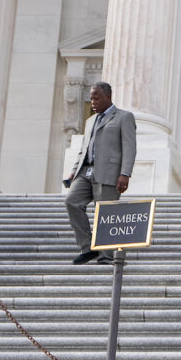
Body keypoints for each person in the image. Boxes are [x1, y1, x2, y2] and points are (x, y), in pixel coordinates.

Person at [64, 82, 136, 264]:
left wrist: (125, 174)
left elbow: (129, 148)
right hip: (86, 171)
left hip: (110, 172)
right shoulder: (90, 121)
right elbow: (84, 148)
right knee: (72, 201)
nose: (93, 102)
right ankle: (88, 248)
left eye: (97, 98)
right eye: (91, 98)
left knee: (106, 213)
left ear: (108, 97)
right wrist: (73, 171)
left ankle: (107, 255)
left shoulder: (123, 117)